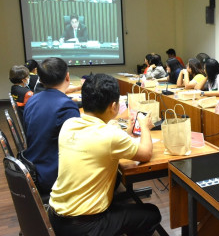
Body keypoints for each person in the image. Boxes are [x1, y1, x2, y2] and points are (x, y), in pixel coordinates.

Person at [48, 74, 161, 236]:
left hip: (56, 217)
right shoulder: (110, 135)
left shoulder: (69, 124)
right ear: (114, 106)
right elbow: (146, 153)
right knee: (151, 213)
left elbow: (100, 145)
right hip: (85, 226)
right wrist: (144, 126)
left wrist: (126, 131)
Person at [23, 57, 80, 194]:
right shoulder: (66, 106)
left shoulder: (33, 100)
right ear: (67, 76)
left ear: (40, 79)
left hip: (34, 167)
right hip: (53, 176)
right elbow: (79, 146)